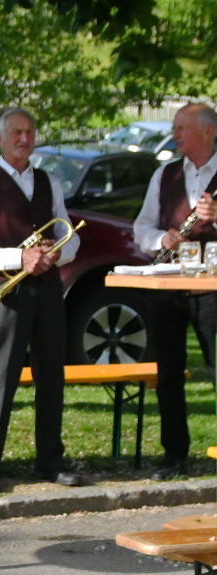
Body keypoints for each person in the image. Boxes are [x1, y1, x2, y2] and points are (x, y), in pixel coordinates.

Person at [0, 107, 81, 494]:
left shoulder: (48, 181)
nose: (24, 139)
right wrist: (18, 257)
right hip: (4, 290)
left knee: (51, 374)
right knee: (1, 375)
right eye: (16, 133)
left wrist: (61, 251)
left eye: (29, 131)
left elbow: (70, 233)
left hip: (46, 289)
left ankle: (50, 460)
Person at [133, 102, 217, 480]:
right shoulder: (164, 175)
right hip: (168, 285)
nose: (176, 133)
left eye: (182, 127)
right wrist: (159, 237)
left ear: (208, 132)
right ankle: (174, 455)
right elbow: (141, 228)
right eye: (175, 127)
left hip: (213, 289)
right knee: (168, 373)